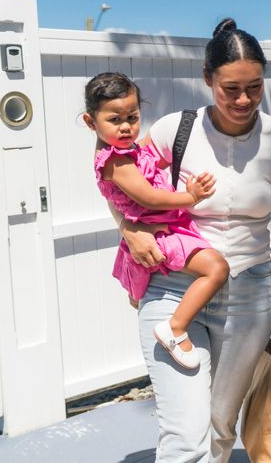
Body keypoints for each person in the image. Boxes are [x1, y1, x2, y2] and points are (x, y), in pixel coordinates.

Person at [116, 18, 271, 462]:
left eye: (254, 88)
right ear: (207, 79)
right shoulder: (173, 131)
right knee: (185, 434)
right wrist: (129, 228)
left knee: (220, 428)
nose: (243, 100)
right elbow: (118, 176)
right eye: (230, 89)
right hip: (174, 290)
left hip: (249, 297)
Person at [84, 72, 229, 370]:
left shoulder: (127, 151)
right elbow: (149, 197)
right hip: (161, 232)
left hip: (163, 226)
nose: (126, 127)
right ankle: (175, 328)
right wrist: (191, 197)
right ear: (91, 122)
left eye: (133, 117)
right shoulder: (116, 161)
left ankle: (142, 298)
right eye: (115, 120)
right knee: (216, 269)